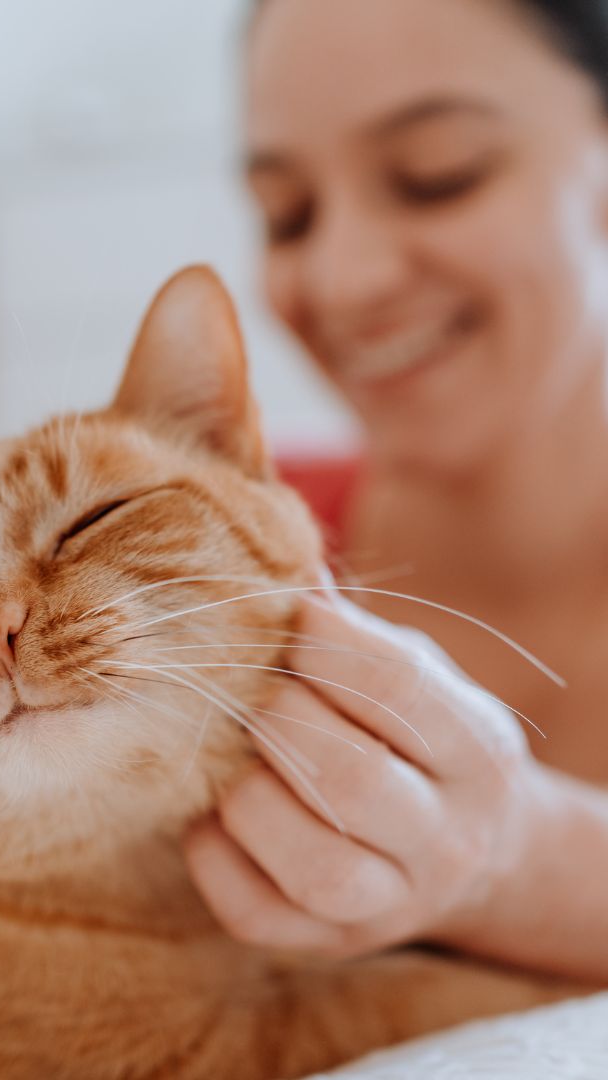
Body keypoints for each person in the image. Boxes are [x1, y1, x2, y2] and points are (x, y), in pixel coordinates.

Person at [184, 0, 608, 984]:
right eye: (288, 214)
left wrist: (521, 865)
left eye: (438, 175)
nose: (343, 275)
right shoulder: (221, 547)